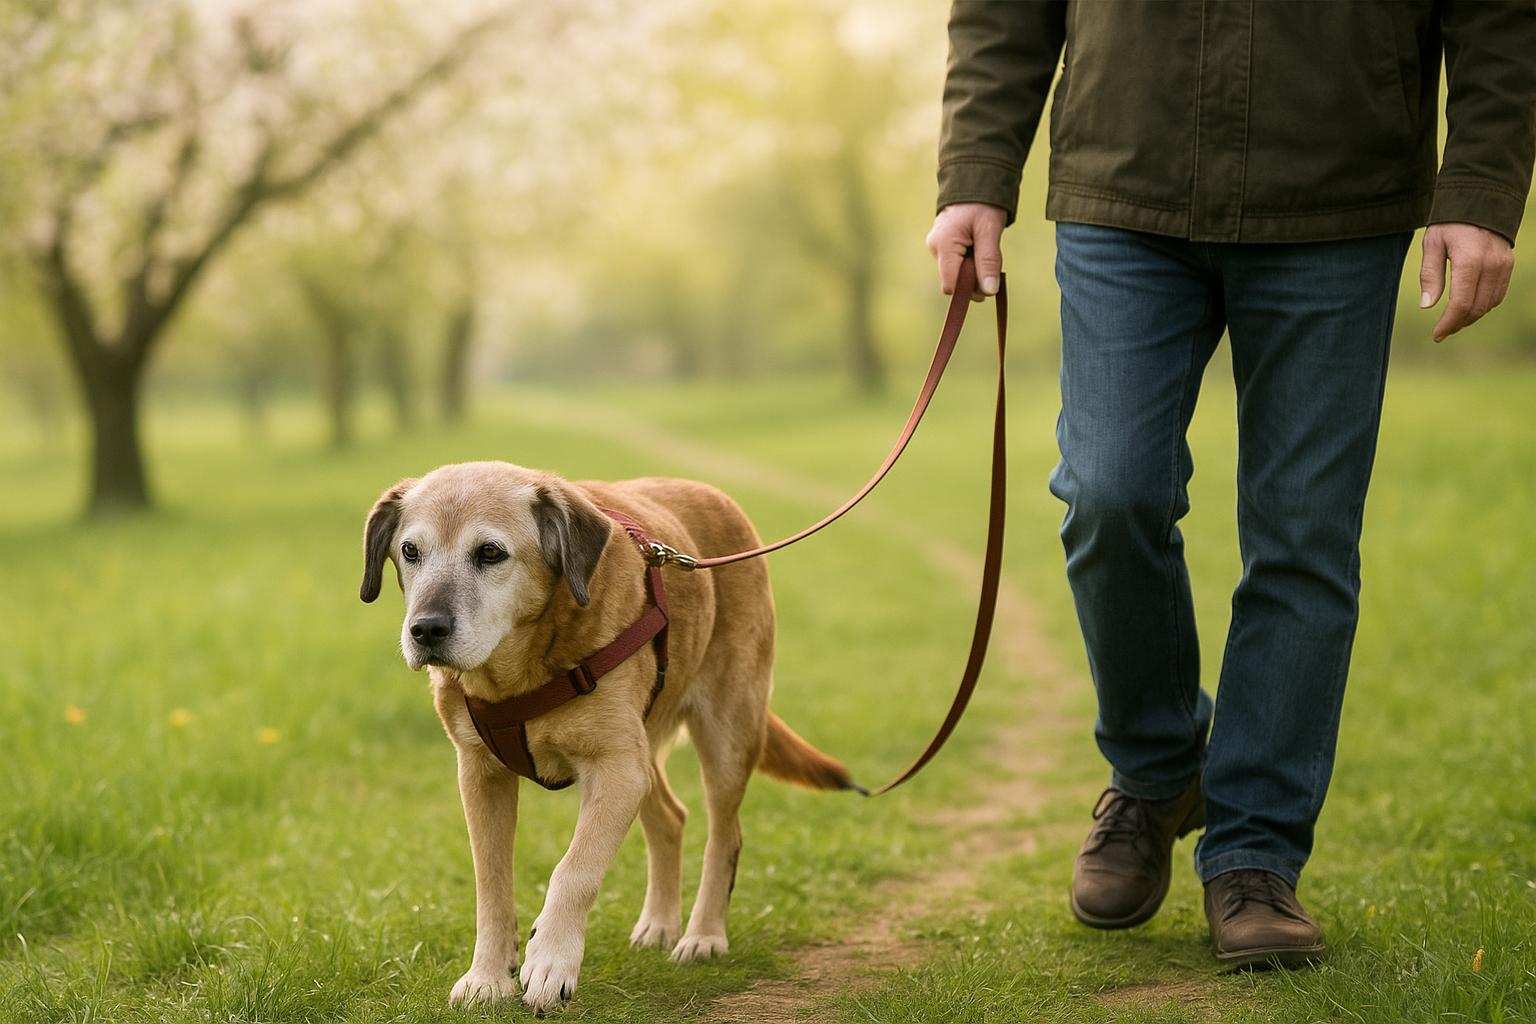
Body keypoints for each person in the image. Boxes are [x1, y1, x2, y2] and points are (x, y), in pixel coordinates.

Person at [926, 1, 1535, 968]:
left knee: (1303, 535)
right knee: (1107, 492)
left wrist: (1482, 183)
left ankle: (1254, 853)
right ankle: (1158, 768)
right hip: (1124, 182)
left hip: (1341, 191)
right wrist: (974, 172)